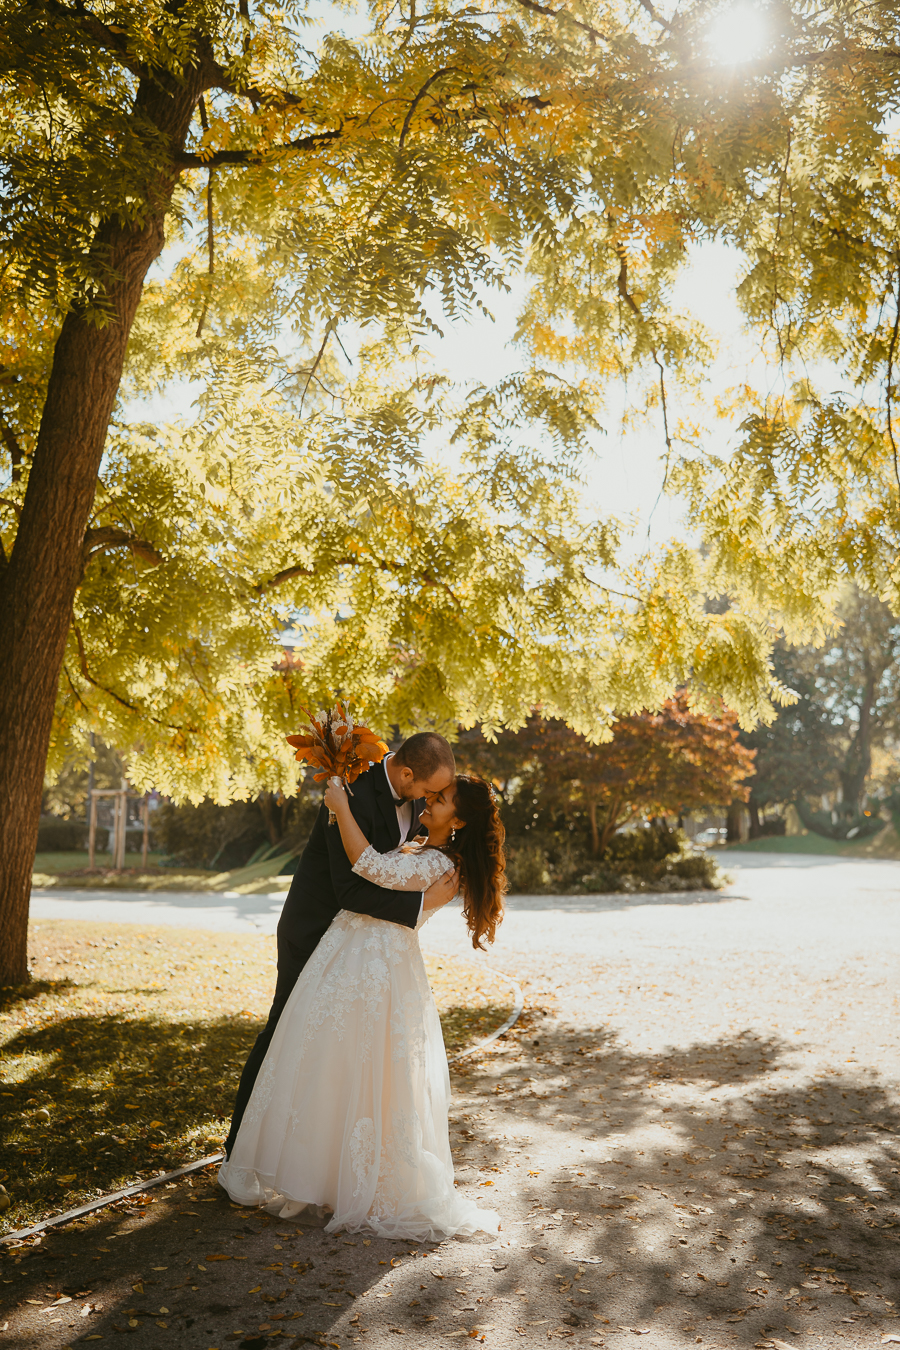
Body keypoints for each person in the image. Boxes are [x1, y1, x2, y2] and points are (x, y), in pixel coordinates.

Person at [217, 770, 507, 1239]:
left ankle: (346, 1179)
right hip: (352, 957)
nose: (430, 801)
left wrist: (339, 807)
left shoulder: (440, 867)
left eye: (443, 799)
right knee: (327, 1064)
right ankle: (322, 1172)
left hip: (374, 970)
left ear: (460, 820)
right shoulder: (421, 845)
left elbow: (370, 866)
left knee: (354, 1068)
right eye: (433, 793)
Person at [223, 731, 458, 1158]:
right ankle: (240, 1148)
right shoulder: (349, 791)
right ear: (406, 773)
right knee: (283, 1035)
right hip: (314, 929)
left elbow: (397, 863)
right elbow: (350, 891)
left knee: (340, 1050)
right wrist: (421, 906)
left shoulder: (413, 802)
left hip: (360, 945)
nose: (432, 800)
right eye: (430, 791)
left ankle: (322, 1155)